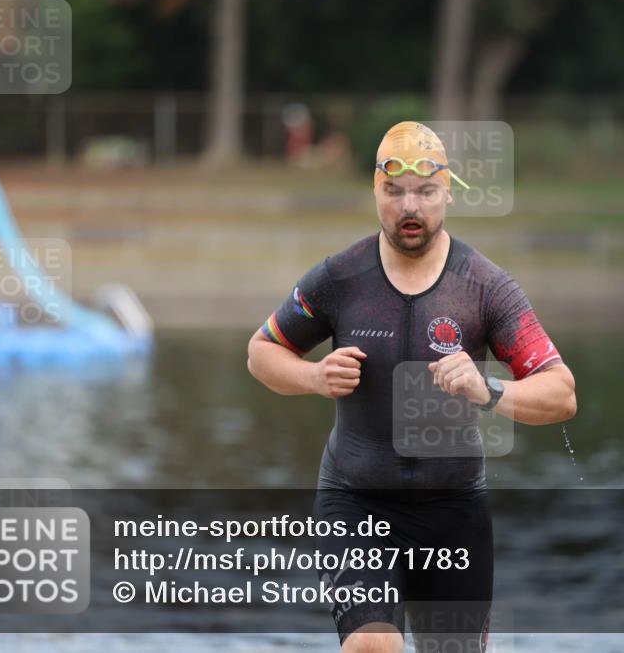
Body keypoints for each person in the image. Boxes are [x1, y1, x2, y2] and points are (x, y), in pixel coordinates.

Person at [247, 121, 576, 653]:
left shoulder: (486, 287)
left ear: (447, 191)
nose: (409, 207)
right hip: (355, 503)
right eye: (393, 192)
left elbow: (561, 393)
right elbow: (261, 352)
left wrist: (487, 389)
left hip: (454, 512)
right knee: (374, 646)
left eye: (424, 192)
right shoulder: (339, 278)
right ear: (375, 193)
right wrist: (312, 375)